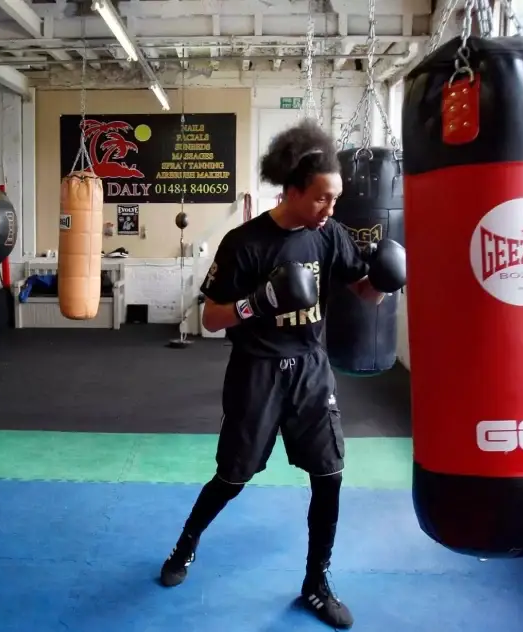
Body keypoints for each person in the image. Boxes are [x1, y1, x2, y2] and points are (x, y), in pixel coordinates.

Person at [158, 120, 407, 630]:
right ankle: (186, 544)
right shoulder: (244, 244)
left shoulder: (329, 234)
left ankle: (316, 583)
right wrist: (258, 303)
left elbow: (364, 290)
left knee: (330, 477)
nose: (331, 210)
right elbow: (211, 318)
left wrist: (387, 277)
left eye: (336, 200)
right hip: (258, 371)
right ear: (292, 191)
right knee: (233, 478)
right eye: (321, 199)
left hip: (311, 371)